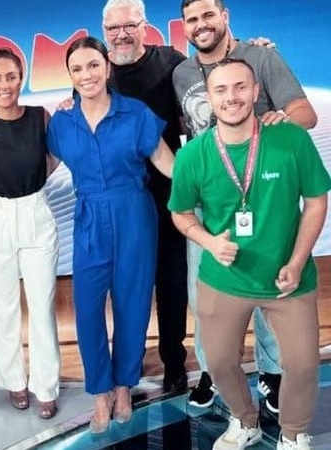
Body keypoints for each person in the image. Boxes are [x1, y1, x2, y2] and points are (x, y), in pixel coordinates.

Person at [168, 57, 328, 450]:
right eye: (221, 90)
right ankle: (244, 420)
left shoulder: (291, 140)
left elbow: (316, 201)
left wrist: (296, 262)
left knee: (303, 364)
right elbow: (180, 213)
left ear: (256, 92)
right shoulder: (192, 155)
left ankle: (293, 432)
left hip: (287, 279)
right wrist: (209, 242)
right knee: (220, 363)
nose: (232, 97)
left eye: (241, 87)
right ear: (208, 98)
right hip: (223, 280)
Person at [46, 36, 174, 433]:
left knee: (132, 305)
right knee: (87, 310)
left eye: (93, 65)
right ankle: (99, 390)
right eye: (77, 69)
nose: (86, 75)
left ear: (107, 67)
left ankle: (123, 387)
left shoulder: (136, 113)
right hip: (89, 218)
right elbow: (41, 168)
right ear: (69, 75)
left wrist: (209, 182)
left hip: (134, 213)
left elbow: (166, 161)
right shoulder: (61, 122)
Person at [0, 48, 61, 419]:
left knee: (41, 306)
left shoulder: (40, 117)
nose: (4, 85)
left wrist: (36, 176)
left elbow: (55, 156)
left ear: (22, 79)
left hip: (36, 211)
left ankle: (46, 386)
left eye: (11, 76)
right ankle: (14, 380)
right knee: (1, 305)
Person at [101, 0, 189, 393]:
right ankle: (128, 368)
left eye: (129, 25)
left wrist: (253, 49)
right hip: (122, 200)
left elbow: (209, 86)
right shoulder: (97, 70)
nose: (121, 34)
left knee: (172, 284)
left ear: (144, 26)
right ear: (104, 31)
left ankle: (174, 362)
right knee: (127, 288)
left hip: (168, 192)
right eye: (113, 28)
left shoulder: (171, 61)